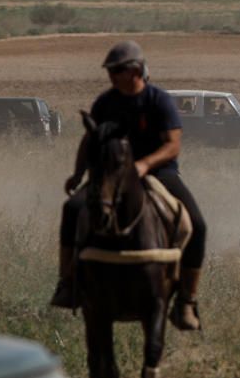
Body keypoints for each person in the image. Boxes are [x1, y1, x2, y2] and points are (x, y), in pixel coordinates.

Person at [49, 41, 207, 331]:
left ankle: (186, 300)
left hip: (159, 174)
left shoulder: (158, 100)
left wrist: (145, 165)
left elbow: (173, 145)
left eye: (117, 70)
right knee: (71, 208)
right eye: (110, 70)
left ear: (135, 70)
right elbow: (90, 140)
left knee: (197, 223)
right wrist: (78, 173)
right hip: (110, 176)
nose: (112, 75)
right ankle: (67, 283)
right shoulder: (105, 103)